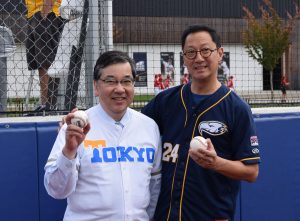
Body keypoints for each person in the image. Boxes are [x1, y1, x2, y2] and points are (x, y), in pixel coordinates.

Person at [142, 25, 260, 221]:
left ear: (220, 53)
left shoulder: (237, 108)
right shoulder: (165, 101)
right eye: (190, 52)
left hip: (211, 215)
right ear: (184, 57)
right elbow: (132, 127)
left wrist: (216, 163)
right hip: (165, 215)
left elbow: (251, 172)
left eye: (205, 50)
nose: (198, 58)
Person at [44, 51, 162, 221]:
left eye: (126, 81)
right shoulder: (75, 129)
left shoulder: (149, 127)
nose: (120, 89)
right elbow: (56, 190)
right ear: (96, 87)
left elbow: (154, 188)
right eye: (110, 81)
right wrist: (69, 152)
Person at [25, 0, 65, 110]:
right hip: (34, 13)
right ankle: (45, 104)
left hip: (46, 14)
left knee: (46, 64)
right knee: (40, 64)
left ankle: (48, 106)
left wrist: (45, 12)